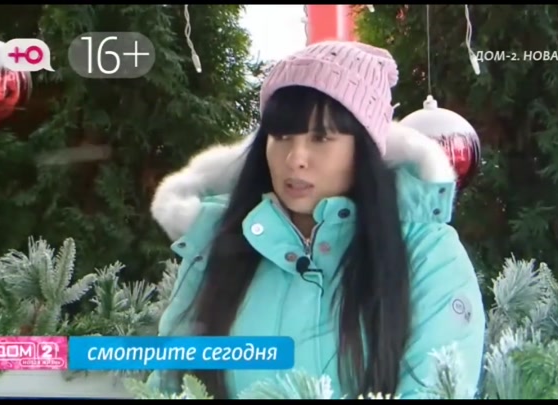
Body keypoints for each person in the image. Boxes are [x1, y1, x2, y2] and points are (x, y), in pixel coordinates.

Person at [147, 40, 486, 399]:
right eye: (281, 135)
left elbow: (435, 389)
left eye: (321, 137)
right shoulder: (218, 243)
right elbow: (168, 385)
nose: (295, 158)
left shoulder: (427, 252)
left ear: (364, 148)